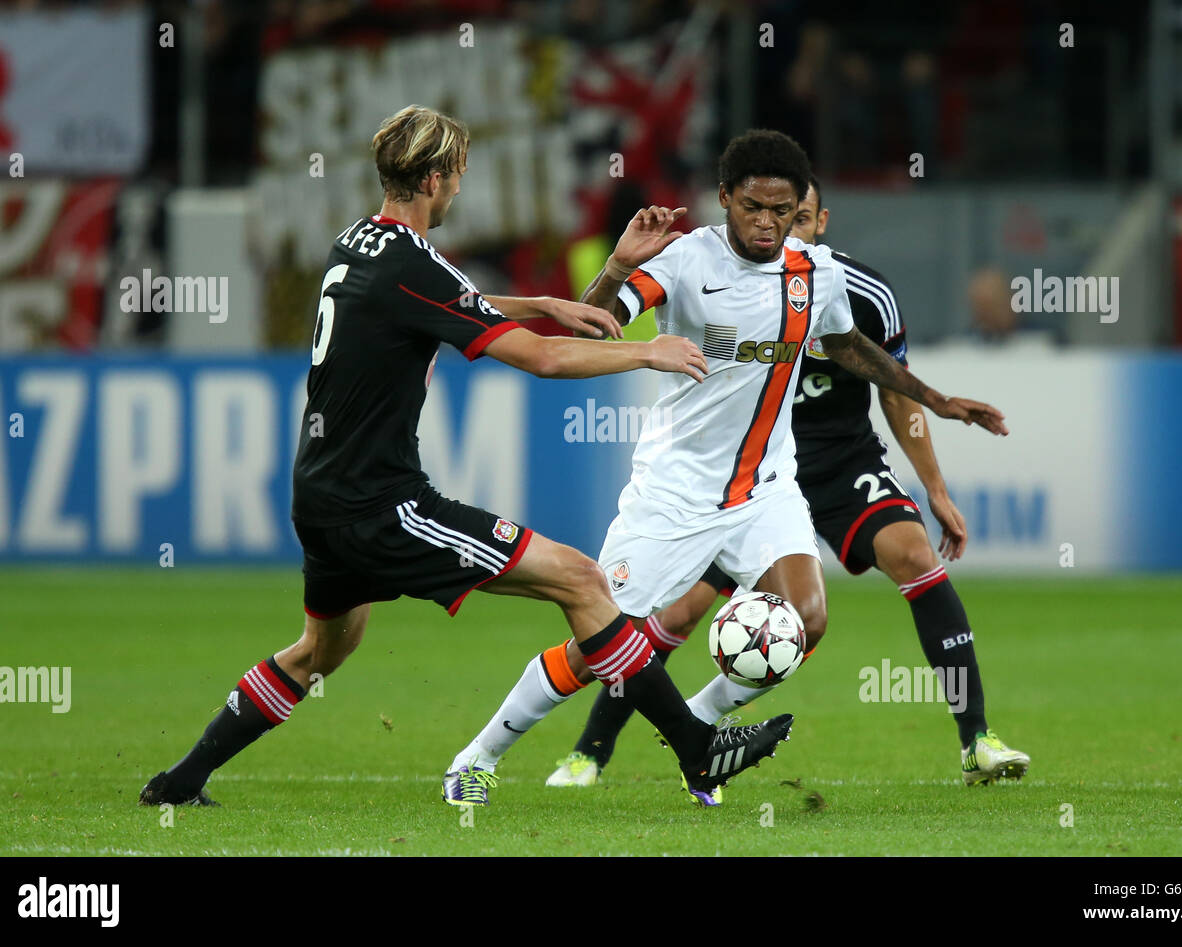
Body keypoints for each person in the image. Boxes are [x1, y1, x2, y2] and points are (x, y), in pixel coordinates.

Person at [138, 105, 794, 811]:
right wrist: (645, 349)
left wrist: (546, 298)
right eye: (456, 176)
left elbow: (442, 299)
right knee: (579, 578)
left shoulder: (358, 243)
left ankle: (178, 781)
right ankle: (700, 750)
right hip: (381, 503)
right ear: (432, 177)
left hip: (321, 493)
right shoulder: (408, 261)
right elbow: (537, 358)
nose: (459, 190)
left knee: (319, 653)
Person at [446, 129, 1009, 806]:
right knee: (601, 645)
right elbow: (588, 328)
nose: (768, 222)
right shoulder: (684, 260)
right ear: (723, 199)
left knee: (805, 619)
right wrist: (620, 267)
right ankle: (477, 757)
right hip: (672, 496)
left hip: (765, 492)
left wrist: (937, 400)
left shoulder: (815, 272)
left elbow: (849, 345)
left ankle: (699, 733)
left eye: (782, 208)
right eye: (752, 207)